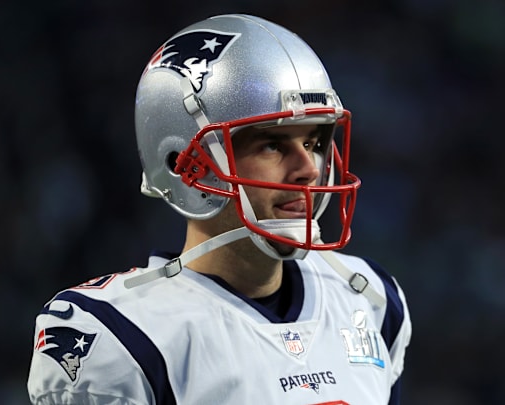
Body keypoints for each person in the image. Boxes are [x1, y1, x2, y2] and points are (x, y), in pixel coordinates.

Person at [27, 13, 412, 404]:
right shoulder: (117, 337)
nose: (309, 169)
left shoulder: (368, 298)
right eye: (272, 145)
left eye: (313, 143)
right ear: (183, 164)